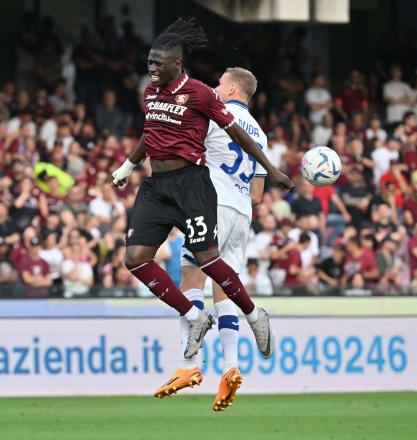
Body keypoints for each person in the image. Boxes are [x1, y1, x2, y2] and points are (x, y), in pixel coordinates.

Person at [111, 18, 293, 382]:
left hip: (192, 185)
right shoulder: (151, 93)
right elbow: (150, 132)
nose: (150, 68)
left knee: (207, 262)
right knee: (134, 259)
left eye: (157, 63)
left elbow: (238, 133)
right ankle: (196, 318)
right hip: (156, 187)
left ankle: (255, 315)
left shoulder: (200, 94)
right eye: (148, 62)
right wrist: (128, 165)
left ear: (177, 64)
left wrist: (271, 170)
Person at [151, 66, 269, 410]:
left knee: (190, 276)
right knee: (225, 287)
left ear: (232, 89)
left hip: (212, 203)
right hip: (241, 212)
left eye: (219, 83)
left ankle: (189, 365)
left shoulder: (214, 113)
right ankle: (230, 365)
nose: (215, 87)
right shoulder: (260, 134)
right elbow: (258, 193)